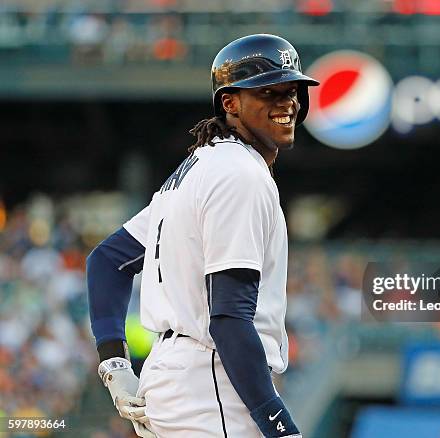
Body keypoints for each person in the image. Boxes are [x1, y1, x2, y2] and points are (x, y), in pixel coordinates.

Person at [86, 33, 319, 438]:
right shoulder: (239, 175)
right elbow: (228, 318)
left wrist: (114, 364)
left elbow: (106, 261)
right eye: (268, 91)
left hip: (176, 379)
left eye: (293, 90)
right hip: (211, 385)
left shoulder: (198, 168)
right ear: (231, 103)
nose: (287, 103)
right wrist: (277, 424)